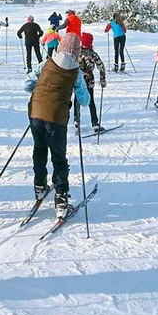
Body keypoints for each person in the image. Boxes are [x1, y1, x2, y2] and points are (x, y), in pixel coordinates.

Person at [24, 33, 90, 219]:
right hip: (57, 118)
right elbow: (84, 100)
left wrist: (42, 89)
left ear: (60, 46)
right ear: (77, 51)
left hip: (36, 112)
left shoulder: (46, 63)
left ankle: (39, 186)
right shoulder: (76, 72)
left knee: (39, 149)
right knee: (59, 158)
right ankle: (61, 200)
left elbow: (27, 85)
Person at [78, 33, 107, 132]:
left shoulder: (77, 52)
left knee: (77, 99)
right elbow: (101, 66)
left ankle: (76, 120)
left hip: (78, 80)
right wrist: (102, 79)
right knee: (91, 101)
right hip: (89, 79)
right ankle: (95, 123)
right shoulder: (93, 53)